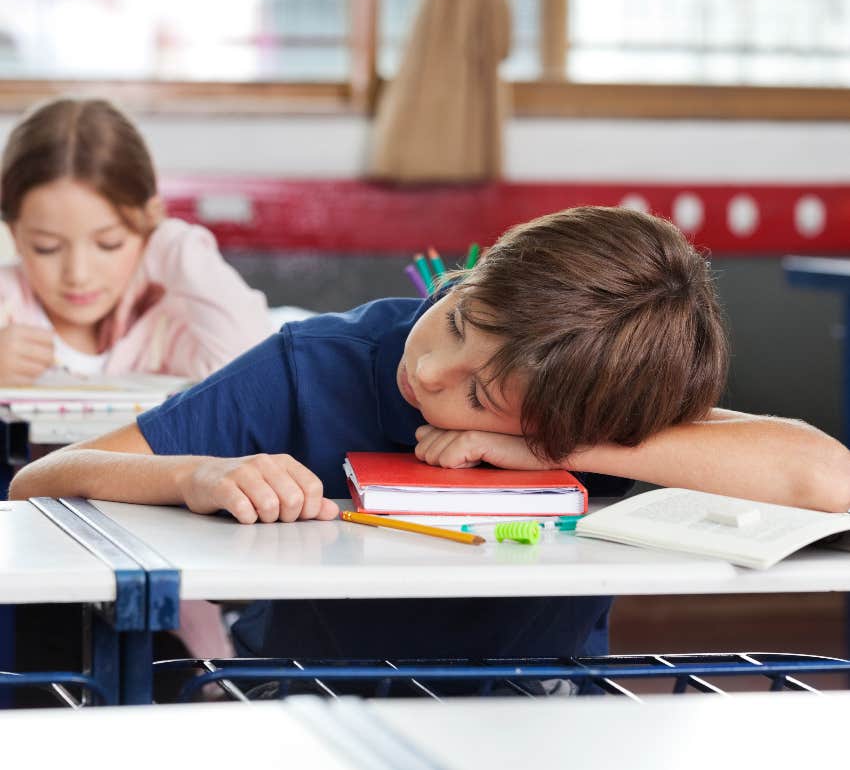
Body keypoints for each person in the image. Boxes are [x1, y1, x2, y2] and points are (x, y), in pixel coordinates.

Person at [10, 206, 850, 681]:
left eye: (483, 394)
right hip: (307, 696)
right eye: (456, 319)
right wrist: (197, 473)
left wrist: (578, 447)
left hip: (540, 704)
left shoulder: (598, 400)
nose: (434, 370)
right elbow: (39, 481)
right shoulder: (321, 362)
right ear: (474, 275)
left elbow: (828, 477)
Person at [1, 96, 274, 661]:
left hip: (158, 581)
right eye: (46, 247)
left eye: (109, 243)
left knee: (177, 675)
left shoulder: (167, 324)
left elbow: (251, 365)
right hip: (26, 580)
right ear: (13, 232)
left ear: (148, 225)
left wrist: (175, 244)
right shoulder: (7, 311)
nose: (78, 273)